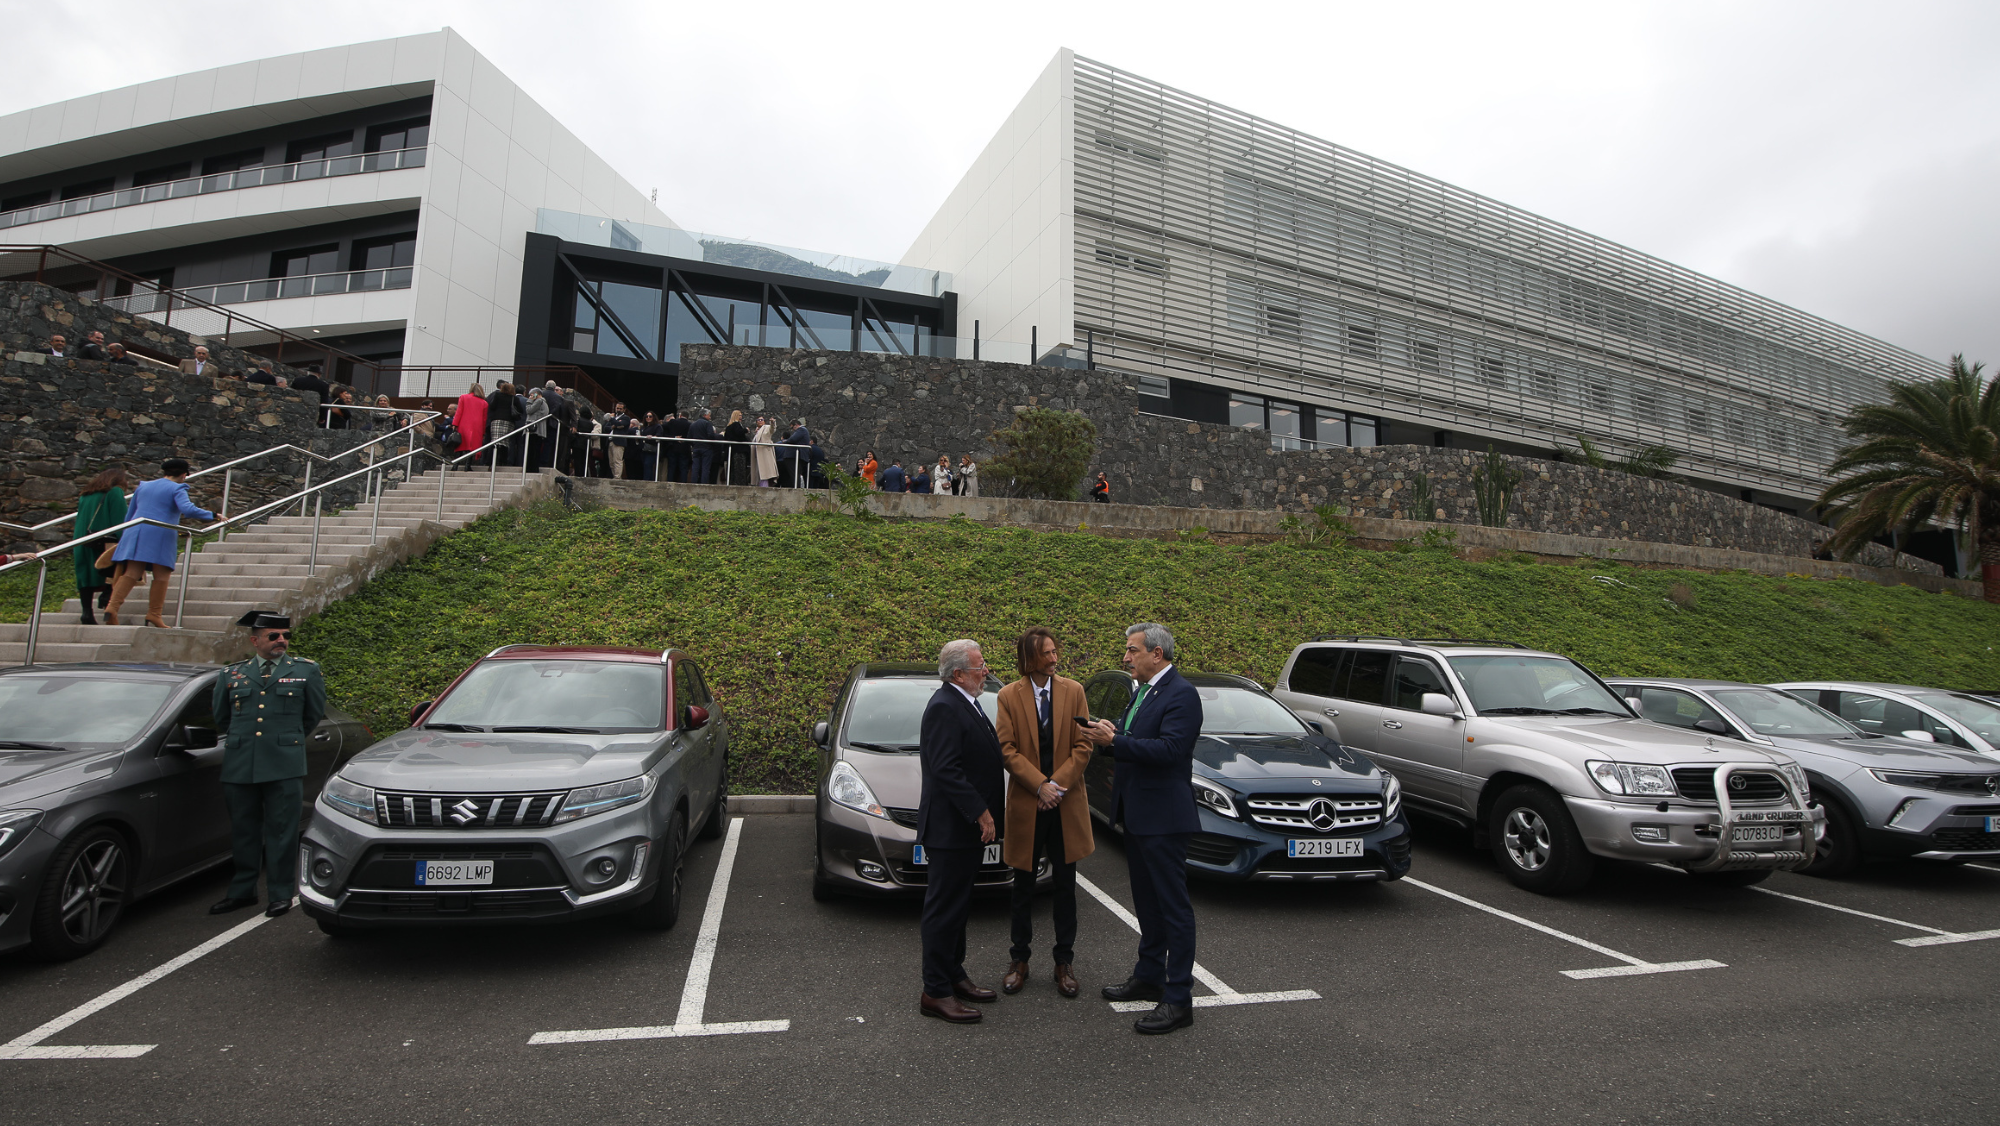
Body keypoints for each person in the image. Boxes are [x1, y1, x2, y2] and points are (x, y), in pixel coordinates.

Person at [1082, 622, 1203, 1035]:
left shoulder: (1182, 694)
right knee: (1147, 905)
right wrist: (1109, 733)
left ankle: (1178, 998)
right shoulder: (1143, 690)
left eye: (1132, 650)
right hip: (1137, 814)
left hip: (1164, 819)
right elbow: (1134, 736)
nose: (1125, 657)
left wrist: (1115, 742)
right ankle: (1149, 975)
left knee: (1173, 909)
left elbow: (1171, 750)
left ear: (1157, 653)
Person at [995, 628, 1093, 998]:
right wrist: (1040, 785)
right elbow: (1007, 749)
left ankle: (1063, 962)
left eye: (1055, 651)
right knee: (1022, 887)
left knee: (1065, 888)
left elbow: (1083, 746)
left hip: (1063, 805)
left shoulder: (1075, 691)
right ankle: (1019, 960)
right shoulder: (1008, 695)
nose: (1054, 658)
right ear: (1029, 658)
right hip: (1028, 804)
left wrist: (1057, 787)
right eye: (1047, 653)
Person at [209, 611, 326, 919]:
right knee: (244, 831)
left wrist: (284, 741)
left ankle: (279, 893)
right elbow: (222, 718)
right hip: (240, 764)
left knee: (281, 832)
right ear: (255, 640)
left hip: (283, 764)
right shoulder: (231, 675)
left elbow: (311, 716)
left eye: (284, 636)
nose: (281, 641)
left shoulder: (305, 672)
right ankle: (242, 891)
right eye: (273, 636)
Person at [915, 638, 1003, 1024]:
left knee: (959, 907)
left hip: (963, 830)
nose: (986, 671)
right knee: (943, 910)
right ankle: (935, 991)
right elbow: (947, 769)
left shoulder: (967, 702)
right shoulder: (944, 707)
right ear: (958, 674)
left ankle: (954, 975)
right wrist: (981, 811)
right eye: (979, 666)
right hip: (951, 829)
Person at [105, 457, 214, 628]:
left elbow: (130, 514)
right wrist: (213, 515)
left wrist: (125, 536)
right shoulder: (178, 488)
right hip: (160, 533)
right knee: (162, 575)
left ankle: (112, 607)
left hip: (136, 530)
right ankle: (154, 613)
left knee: (132, 573)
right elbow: (187, 509)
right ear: (184, 475)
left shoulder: (144, 486)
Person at [71, 466, 130, 625]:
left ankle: (86, 613)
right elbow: (120, 520)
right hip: (104, 540)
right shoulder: (115, 492)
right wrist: (124, 539)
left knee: (85, 574)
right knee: (111, 568)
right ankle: (106, 595)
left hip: (83, 539)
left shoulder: (86, 495)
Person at [454, 382, 489, 468]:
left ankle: (455, 465)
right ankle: (467, 465)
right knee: (472, 446)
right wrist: (483, 432)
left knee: (460, 444)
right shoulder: (484, 403)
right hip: (477, 426)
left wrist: (455, 423)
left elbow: (459, 412)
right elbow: (485, 419)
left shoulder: (463, 397)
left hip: (463, 424)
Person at [486, 381, 519, 465]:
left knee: (494, 441)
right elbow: (521, 409)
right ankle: (503, 462)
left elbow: (492, 406)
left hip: (496, 420)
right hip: (509, 421)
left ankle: (490, 462)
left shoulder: (497, 396)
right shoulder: (514, 398)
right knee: (505, 443)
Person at [523, 387, 552, 470]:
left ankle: (530, 468)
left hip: (534, 430)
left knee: (532, 450)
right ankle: (533, 467)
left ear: (537, 394)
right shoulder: (543, 402)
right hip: (539, 430)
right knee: (535, 449)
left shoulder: (539, 401)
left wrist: (529, 401)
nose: (530, 396)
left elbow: (529, 410)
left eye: (532, 394)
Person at [688, 408, 718, 485]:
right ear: (705, 415)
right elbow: (711, 435)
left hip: (696, 447)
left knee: (695, 467)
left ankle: (693, 483)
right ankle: (703, 484)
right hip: (706, 448)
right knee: (705, 467)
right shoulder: (707, 423)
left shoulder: (693, 424)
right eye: (709, 415)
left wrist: (694, 445)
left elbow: (689, 437)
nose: (710, 417)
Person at [663, 410, 692, 483]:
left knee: (671, 467)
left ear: (680, 415)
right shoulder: (690, 425)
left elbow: (663, 426)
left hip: (673, 447)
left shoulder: (673, 422)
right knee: (683, 468)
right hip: (684, 448)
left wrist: (674, 437)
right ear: (687, 417)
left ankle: (669, 483)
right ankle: (683, 483)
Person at [723, 409, 751, 485]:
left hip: (732, 451)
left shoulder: (728, 427)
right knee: (740, 469)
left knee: (733, 470)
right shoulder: (736, 424)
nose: (741, 417)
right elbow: (739, 433)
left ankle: (733, 482)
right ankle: (740, 484)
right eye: (740, 415)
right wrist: (746, 430)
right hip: (739, 451)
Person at [607, 402, 632, 479]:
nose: (618, 410)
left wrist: (612, 420)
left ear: (624, 410)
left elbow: (619, 424)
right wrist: (613, 426)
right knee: (611, 462)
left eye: (620, 408)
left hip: (619, 442)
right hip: (610, 441)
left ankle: (617, 478)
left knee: (617, 460)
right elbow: (606, 428)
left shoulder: (626, 418)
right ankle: (614, 476)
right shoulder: (614, 417)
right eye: (617, 408)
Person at [751, 415, 777, 486]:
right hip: (758, 455)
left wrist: (772, 423)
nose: (760, 421)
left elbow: (772, 429)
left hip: (765, 453)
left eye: (762, 420)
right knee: (759, 472)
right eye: (758, 420)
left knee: (766, 472)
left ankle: (765, 486)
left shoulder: (766, 427)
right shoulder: (757, 431)